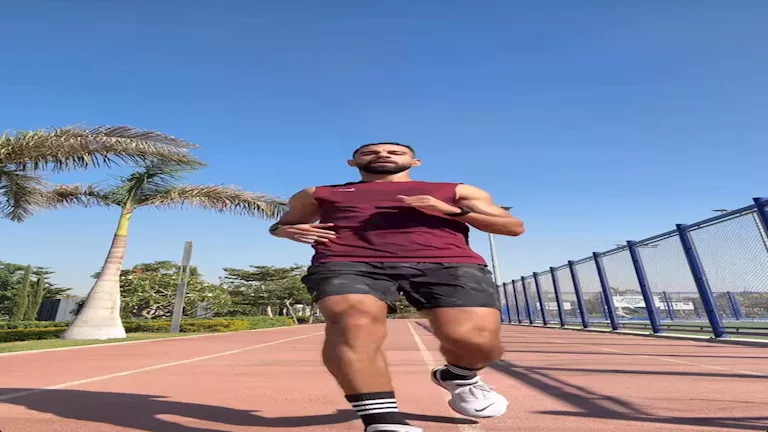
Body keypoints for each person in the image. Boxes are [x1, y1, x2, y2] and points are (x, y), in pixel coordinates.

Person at [268, 142, 525, 432]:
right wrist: (284, 230)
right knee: (353, 323)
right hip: (347, 262)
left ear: (415, 162)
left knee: (477, 342)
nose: (382, 155)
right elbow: (282, 225)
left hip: (448, 262)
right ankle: (382, 421)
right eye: (370, 152)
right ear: (352, 163)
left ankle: (459, 376)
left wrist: (451, 212)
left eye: (395, 152)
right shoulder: (319, 193)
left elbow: (513, 227)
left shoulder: (456, 190)